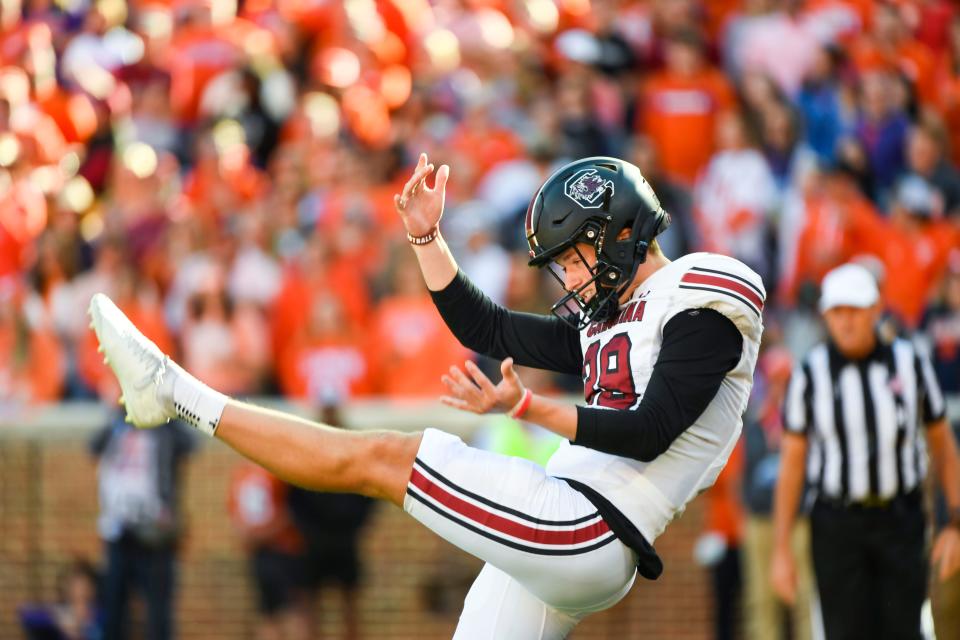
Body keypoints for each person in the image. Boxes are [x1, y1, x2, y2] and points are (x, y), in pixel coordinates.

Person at [87, 153, 765, 639]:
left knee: (380, 459)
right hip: (572, 528)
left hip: (590, 524)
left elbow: (651, 430)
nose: (567, 275)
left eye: (573, 255)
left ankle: (174, 392)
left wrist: (529, 409)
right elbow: (488, 326)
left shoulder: (704, 293)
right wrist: (425, 237)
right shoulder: (613, 320)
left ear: (622, 234)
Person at [770, 263, 960, 640]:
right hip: (837, 525)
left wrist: (955, 520)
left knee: (906, 630)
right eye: (838, 312)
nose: (847, 322)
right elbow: (792, 464)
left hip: (901, 520)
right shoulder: (810, 374)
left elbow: (943, 445)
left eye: (855, 310)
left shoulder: (911, 363)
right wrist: (781, 549)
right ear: (825, 316)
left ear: (875, 309)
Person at [90, 405, 195, 640]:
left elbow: (190, 444)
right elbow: (93, 446)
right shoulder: (117, 423)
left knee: (158, 612)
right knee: (115, 607)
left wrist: (162, 415)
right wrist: (119, 417)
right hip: (119, 530)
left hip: (155, 533)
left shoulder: (163, 426)